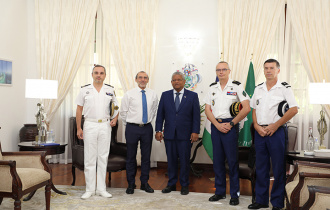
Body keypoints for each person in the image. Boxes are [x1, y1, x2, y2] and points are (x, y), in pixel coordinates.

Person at [248, 59, 298, 210]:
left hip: (276, 132)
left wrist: (275, 126)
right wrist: (256, 126)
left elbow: (294, 109)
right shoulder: (258, 89)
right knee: (261, 167)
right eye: (266, 68)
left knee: (278, 168)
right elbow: (254, 109)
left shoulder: (284, 88)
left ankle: (277, 202)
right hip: (260, 133)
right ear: (263, 70)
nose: (268, 70)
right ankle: (261, 200)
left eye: (271, 68)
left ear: (278, 70)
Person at [204, 61, 251, 206]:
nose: (221, 72)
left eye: (224, 69)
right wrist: (217, 125)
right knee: (217, 161)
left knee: (232, 162)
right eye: (218, 70)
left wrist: (231, 124)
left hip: (231, 126)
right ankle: (219, 192)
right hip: (216, 126)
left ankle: (234, 194)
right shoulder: (212, 88)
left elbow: (246, 108)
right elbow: (207, 109)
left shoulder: (236, 86)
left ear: (229, 71)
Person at [76, 65, 119, 199]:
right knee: (89, 158)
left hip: (105, 125)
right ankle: (89, 190)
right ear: (92, 74)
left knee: (103, 157)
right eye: (96, 73)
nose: (98, 75)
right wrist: (79, 127)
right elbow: (79, 110)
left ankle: (101, 189)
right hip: (90, 124)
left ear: (105, 75)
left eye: (101, 73)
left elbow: (116, 107)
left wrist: (115, 119)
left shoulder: (110, 90)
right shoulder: (84, 90)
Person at [155, 71, 200, 195]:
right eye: (174, 80)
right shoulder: (165, 95)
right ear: (171, 82)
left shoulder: (192, 96)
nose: (177, 82)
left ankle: (184, 185)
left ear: (184, 82)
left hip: (185, 135)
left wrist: (195, 131)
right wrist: (158, 130)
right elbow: (160, 115)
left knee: (185, 161)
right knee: (171, 160)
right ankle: (172, 184)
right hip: (169, 134)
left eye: (179, 79)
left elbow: (196, 116)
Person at [120, 71, 158, 194]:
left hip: (147, 128)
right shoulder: (129, 94)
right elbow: (123, 112)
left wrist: (146, 122)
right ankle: (131, 184)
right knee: (131, 157)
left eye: (145, 78)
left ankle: (144, 183)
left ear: (148, 80)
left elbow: (154, 110)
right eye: (140, 78)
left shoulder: (153, 94)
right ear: (136, 79)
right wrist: (130, 124)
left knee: (146, 157)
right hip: (132, 128)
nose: (142, 80)